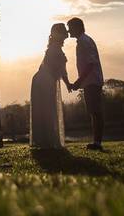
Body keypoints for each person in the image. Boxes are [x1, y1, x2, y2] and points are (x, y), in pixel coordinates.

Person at [29, 23, 71, 148]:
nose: (65, 37)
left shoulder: (54, 48)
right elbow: (62, 70)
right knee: (47, 110)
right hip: (45, 81)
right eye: (63, 34)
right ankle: (46, 140)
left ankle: (45, 140)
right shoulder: (55, 49)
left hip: (43, 80)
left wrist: (67, 83)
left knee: (45, 109)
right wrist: (68, 84)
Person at [66, 17, 105, 151]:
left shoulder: (84, 42)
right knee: (94, 112)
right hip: (90, 81)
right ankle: (96, 142)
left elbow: (90, 64)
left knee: (95, 112)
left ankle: (97, 143)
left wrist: (78, 82)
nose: (68, 30)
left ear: (76, 27)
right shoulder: (83, 41)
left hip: (92, 81)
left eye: (69, 27)